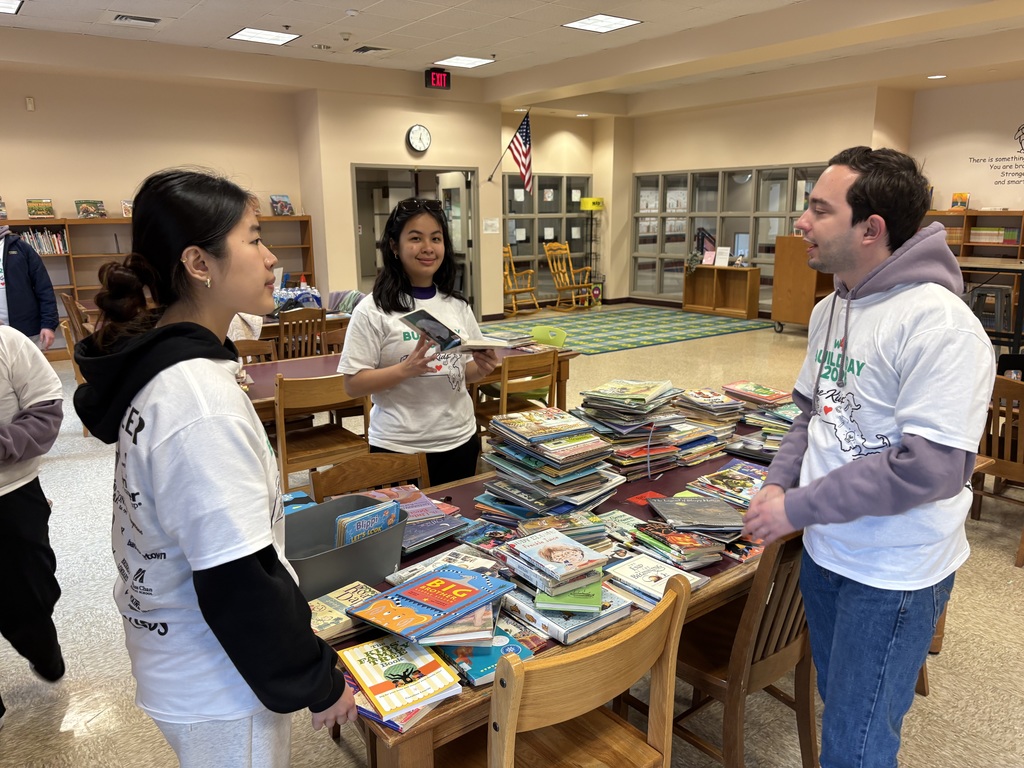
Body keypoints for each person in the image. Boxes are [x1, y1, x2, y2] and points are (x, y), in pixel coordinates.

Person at [72, 169, 355, 767]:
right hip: (217, 676)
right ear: (200, 263)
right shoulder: (197, 401)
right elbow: (236, 576)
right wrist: (317, 680)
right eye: (254, 239)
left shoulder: (178, 371)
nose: (272, 257)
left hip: (182, 655)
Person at [742, 146, 995, 768]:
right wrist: (778, 485)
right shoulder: (834, 305)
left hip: (894, 572)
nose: (800, 222)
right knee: (841, 708)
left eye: (818, 210)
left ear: (870, 228)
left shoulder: (941, 326)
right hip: (829, 552)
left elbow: (929, 469)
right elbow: (812, 412)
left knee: (857, 740)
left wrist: (797, 505)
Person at [339, 198, 498, 485]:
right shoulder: (373, 309)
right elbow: (352, 384)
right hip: (399, 447)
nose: (428, 248)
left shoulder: (457, 305)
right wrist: (404, 370)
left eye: (436, 239)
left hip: (459, 439)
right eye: (415, 238)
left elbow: (461, 372)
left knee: (458, 527)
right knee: (407, 530)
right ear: (393, 246)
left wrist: (482, 368)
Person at [0, 325, 65, 730]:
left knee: (28, 595)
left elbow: (46, 412)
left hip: (12, 493)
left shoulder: (8, 343)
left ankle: (41, 645)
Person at [0, 224, 59, 350]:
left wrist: (48, 324)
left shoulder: (22, 248)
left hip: (26, 331)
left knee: (29, 369)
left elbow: (44, 288)